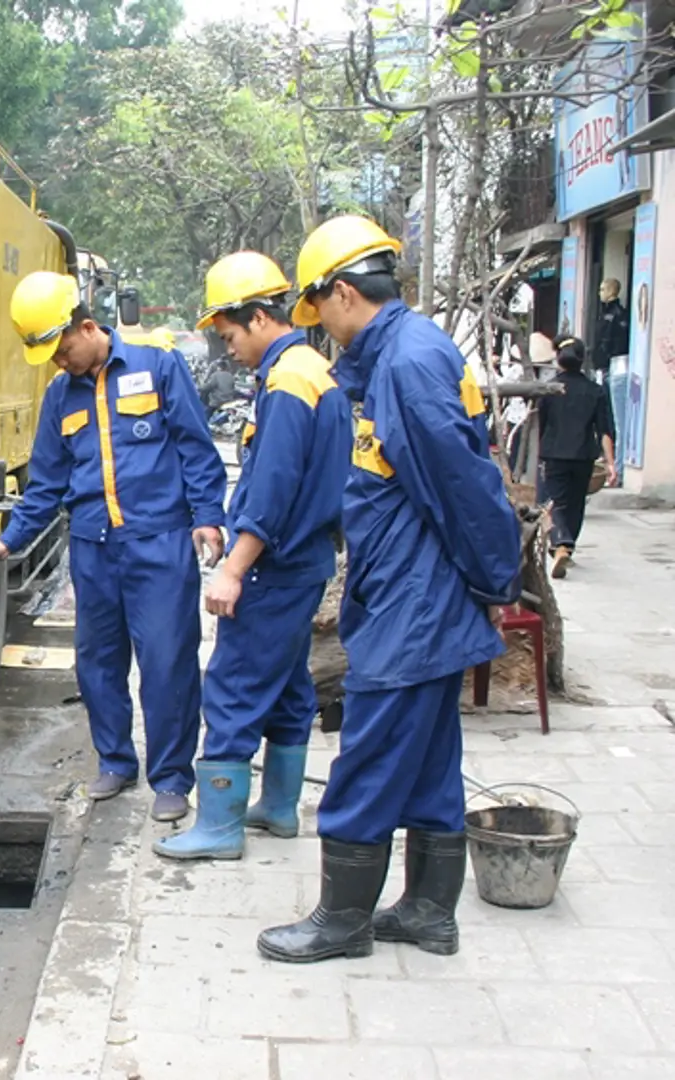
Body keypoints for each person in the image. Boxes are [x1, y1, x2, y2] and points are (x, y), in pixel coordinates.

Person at [257, 216, 521, 964]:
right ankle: (428, 915)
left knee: (366, 759)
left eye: (321, 314)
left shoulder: (405, 364)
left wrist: (492, 577)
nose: (324, 332)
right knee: (433, 761)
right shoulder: (401, 355)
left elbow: (464, 487)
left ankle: (341, 922)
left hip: (416, 600)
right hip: (413, 591)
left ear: (342, 292)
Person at [0, 271, 228, 823]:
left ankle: (172, 777)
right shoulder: (61, 398)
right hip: (93, 548)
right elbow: (45, 485)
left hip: (157, 542)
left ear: (88, 327)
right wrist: (8, 540)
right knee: (97, 664)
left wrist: (208, 517)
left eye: (61, 350)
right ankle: (115, 761)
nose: (59, 364)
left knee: (166, 662)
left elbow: (196, 448)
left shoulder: (158, 367)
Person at [155, 252, 351, 862]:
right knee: (291, 685)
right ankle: (281, 806)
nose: (227, 348)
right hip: (308, 561)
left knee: (234, 685)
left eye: (229, 333)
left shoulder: (289, 381)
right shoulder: (313, 370)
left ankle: (218, 826)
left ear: (260, 318)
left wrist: (234, 570)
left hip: (276, 566)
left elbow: (270, 487)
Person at [538, 336, 617, 579]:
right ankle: (566, 547)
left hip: (554, 454)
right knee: (575, 503)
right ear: (582, 359)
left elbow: (539, 426)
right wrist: (611, 463)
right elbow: (605, 429)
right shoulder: (595, 390)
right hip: (583, 456)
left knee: (556, 502)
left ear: (558, 359)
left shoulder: (549, 390)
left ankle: (561, 543)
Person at [592, 278, 629, 384]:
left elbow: (618, 341)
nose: (599, 293)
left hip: (610, 364)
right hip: (602, 364)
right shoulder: (603, 313)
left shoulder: (618, 314)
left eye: (602, 290)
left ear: (611, 291)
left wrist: (607, 358)